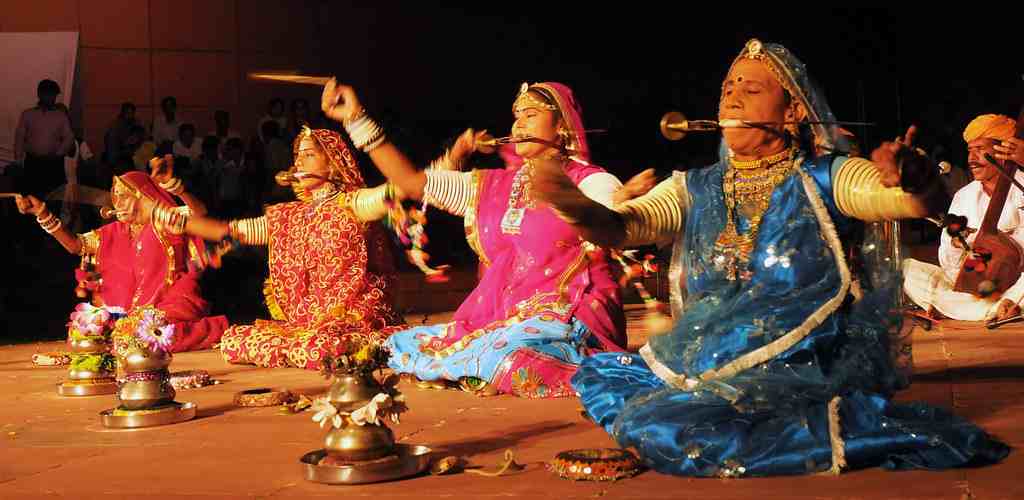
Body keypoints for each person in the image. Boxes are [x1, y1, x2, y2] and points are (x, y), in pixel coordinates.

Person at [536, 39, 1007, 476]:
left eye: (751, 87)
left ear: (793, 112)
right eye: (727, 88)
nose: (732, 97)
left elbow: (903, 201)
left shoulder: (825, 177)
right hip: (708, 351)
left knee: (675, 427)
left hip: (801, 359)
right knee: (600, 373)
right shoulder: (695, 186)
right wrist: (574, 206)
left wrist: (914, 179)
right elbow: (625, 227)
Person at [320, 79, 627, 397]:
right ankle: (478, 365)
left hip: (571, 315)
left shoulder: (592, 181)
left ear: (561, 125)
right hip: (506, 319)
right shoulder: (493, 184)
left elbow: (612, 227)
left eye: (531, 114)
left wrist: (567, 199)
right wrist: (355, 119)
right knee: (396, 344)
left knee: (512, 352)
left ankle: (482, 365)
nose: (519, 122)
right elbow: (412, 183)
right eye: (516, 114)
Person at [143, 127, 405, 370]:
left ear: (334, 164)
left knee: (322, 347)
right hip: (308, 323)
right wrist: (168, 214)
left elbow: (400, 189)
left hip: (352, 316)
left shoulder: (354, 204)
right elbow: (227, 231)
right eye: (297, 156)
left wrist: (443, 165)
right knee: (235, 339)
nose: (299, 162)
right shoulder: (289, 216)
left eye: (309, 155)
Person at [14, 156, 227, 352]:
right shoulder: (113, 232)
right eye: (116, 198)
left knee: (149, 335)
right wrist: (42, 213)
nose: (118, 204)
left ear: (144, 197)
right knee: (87, 333)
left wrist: (177, 189)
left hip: (171, 302)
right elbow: (76, 246)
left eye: (125, 197)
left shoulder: (164, 221)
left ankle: (215, 329)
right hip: (128, 312)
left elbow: (198, 214)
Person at [903, 114, 1024, 322]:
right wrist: (956, 244)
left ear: (1004, 152)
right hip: (975, 287)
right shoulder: (964, 196)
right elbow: (948, 264)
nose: (971, 159)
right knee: (905, 269)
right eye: (969, 150)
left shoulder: (1021, 186)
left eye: (979, 149)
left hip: (1017, 281)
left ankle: (980, 307)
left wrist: (1007, 246)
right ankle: (997, 309)